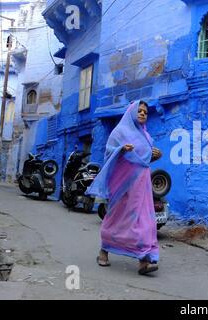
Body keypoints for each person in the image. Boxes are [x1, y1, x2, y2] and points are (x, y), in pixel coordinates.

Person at [86, 100, 162, 275]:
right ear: (131, 112)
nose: (142, 113)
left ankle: (144, 260)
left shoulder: (147, 137)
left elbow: (144, 161)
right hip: (123, 186)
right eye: (139, 110)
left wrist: (156, 155)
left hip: (142, 187)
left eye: (145, 112)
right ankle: (104, 250)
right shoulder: (120, 132)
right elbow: (108, 152)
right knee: (117, 218)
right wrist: (120, 149)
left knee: (145, 221)